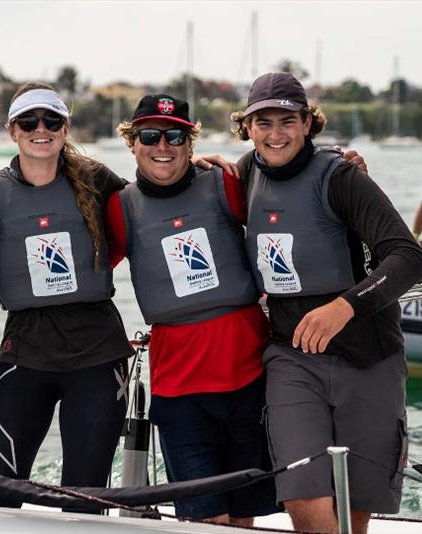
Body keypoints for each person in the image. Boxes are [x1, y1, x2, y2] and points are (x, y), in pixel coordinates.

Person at [231, 72, 422, 534]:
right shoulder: (241, 175)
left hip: (368, 352)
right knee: (303, 494)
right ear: (247, 127)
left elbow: (408, 258)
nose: (274, 133)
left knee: (355, 506)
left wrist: (344, 307)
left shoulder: (342, 177)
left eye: (286, 121)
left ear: (306, 124)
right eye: (263, 122)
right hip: (291, 355)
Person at [105, 94, 279, 526]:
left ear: (190, 142)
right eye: (149, 135)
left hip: (249, 376)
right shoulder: (120, 206)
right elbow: (82, 269)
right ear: (132, 142)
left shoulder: (224, 182)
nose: (162, 146)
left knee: (243, 518)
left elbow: (288, 199)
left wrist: (343, 164)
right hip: (180, 389)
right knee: (205, 521)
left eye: (174, 135)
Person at [0, 83, 135, 512]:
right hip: (25, 349)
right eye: (28, 121)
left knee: (84, 502)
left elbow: (153, 211)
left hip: (97, 354)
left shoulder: (99, 180)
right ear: (12, 131)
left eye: (51, 121)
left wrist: (209, 167)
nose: (39, 129)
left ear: (65, 129)